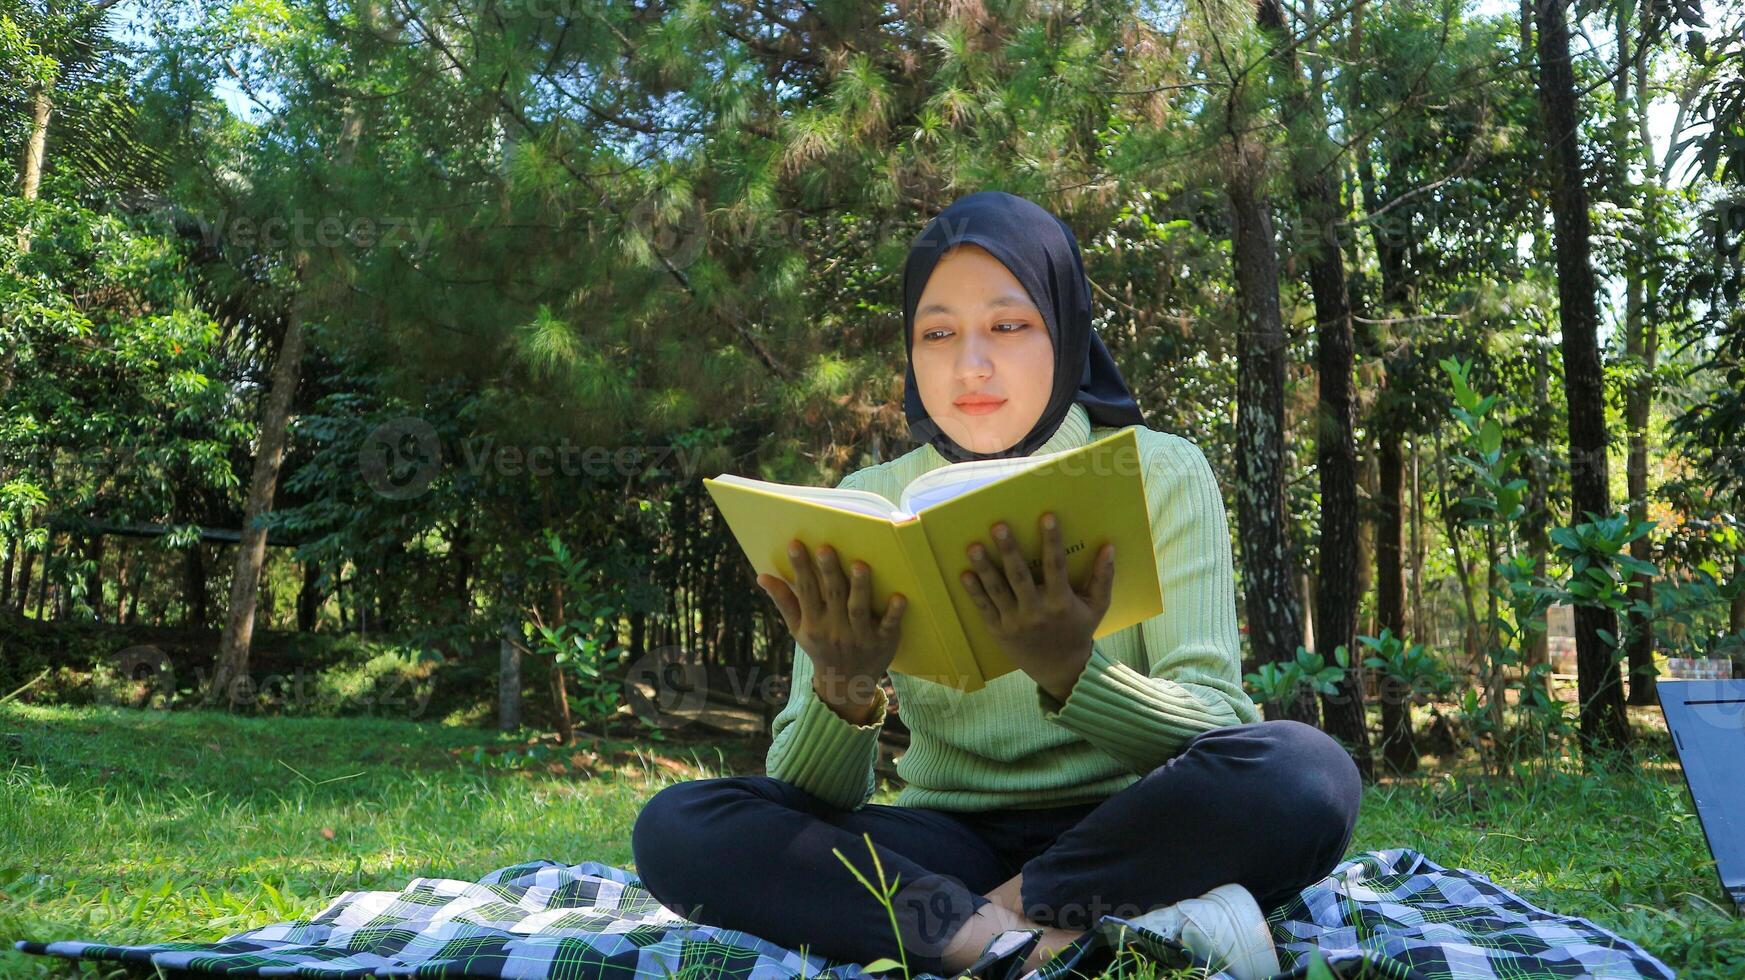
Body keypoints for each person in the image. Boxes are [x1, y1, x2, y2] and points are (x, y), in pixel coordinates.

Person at [631, 191, 1361, 979]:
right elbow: (810, 792)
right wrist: (844, 689)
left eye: (1008, 327)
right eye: (936, 333)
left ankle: (994, 921)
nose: (969, 366)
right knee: (678, 824)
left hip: (1133, 826)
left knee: (1307, 775)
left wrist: (1071, 671)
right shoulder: (869, 494)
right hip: (945, 837)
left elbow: (1217, 722)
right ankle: (1034, 942)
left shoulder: (1159, 468)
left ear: (1066, 326)